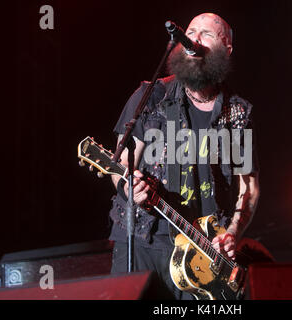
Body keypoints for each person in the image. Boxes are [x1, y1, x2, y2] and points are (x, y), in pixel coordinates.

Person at [108, 13, 260, 300]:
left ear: (226, 49)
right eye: (190, 31)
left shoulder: (238, 113)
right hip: (144, 242)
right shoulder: (152, 96)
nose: (194, 39)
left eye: (207, 34)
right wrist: (130, 187)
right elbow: (120, 162)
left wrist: (232, 233)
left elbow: (248, 186)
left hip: (204, 255)